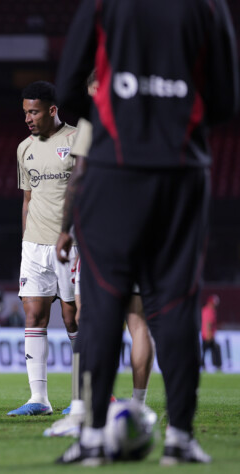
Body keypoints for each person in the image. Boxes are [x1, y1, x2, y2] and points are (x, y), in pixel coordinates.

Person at [55, 0, 238, 465]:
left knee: (103, 301)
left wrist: (117, 116)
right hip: (183, 172)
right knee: (177, 301)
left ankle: (93, 439)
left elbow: (69, 89)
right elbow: (226, 99)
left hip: (115, 170)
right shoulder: (209, 7)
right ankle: (179, 436)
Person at [44, 71, 156, 438]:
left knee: (91, 320)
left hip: (103, 229)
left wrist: (64, 229)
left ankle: (81, 409)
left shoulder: (97, 119)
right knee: (138, 321)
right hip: (144, 227)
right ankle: (139, 407)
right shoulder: (149, 115)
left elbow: (79, 176)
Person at [8, 81, 79, 417]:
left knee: (73, 317)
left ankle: (87, 393)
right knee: (34, 315)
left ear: (52, 109)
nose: (28, 118)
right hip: (34, 246)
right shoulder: (24, 148)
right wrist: (25, 242)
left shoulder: (78, 140)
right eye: (25, 112)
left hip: (73, 244)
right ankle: (39, 399)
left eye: (34, 111)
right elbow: (27, 199)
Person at [201, 295, 222, 371]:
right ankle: (217, 364)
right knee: (215, 348)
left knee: (204, 350)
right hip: (207, 335)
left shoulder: (204, 310)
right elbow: (208, 323)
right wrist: (209, 333)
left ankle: (203, 364)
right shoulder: (209, 311)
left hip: (205, 334)